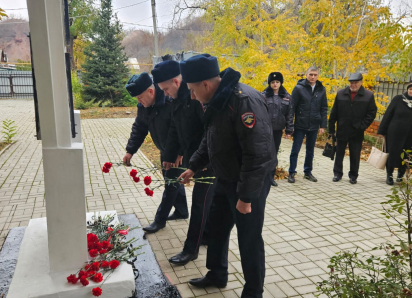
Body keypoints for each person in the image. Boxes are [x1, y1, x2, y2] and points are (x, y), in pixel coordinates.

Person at [178, 54, 276, 298]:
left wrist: (245, 198)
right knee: (217, 228)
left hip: (248, 183)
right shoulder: (217, 100)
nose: (191, 95)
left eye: (191, 90)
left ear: (205, 85)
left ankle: (253, 292)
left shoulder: (243, 102)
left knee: (249, 238)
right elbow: (211, 139)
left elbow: (258, 155)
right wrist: (193, 165)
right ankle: (217, 274)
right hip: (226, 177)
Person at [150, 60, 216, 265]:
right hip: (196, 159)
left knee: (199, 204)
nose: (165, 93)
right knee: (207, 204)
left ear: (177, 82)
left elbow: (210, 132)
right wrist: (169, 156)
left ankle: (191, 249)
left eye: (166, 89)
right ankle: (206, 235)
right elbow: (174, 130)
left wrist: (199, 162)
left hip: (208, 161)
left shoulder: (196, 97)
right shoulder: (177, 101)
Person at [123, 73, 188, 233]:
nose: (139, 101)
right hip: (165, 149)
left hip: (178, 151)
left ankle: (160, 220)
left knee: (171, 184)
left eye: (140, 97)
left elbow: (182, 128)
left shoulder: (169, 101)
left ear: (151, 92)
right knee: (172, 179)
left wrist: (178, 152)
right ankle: (182, 211)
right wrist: (130, 150)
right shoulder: (144, 107)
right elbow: (139, 128)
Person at [328, 73, 377, 184]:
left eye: (355, 82)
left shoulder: (368, 95)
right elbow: (334, 112)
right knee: (339, 153)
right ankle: (337, 173)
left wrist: (363, 126)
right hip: (342, 129)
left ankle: (353, 176)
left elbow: (372, 113)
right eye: (351, 82)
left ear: (361, 82)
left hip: (357, 130)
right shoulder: (341, 93)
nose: (353, 84)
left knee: (355, 154)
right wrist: (331, 128)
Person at [288, 66, 328, 183]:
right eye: (311, 74)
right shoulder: (298, 88)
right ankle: (291, 172)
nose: (313, 77)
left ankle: (307, 172)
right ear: (306, 75)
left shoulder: (321, 89)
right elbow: (292, 108)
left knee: (310, 151)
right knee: (295, 150)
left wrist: (322, 125)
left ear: (318, 76)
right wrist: (290, 125)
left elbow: (324, 107)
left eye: (315, 75)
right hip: (300, 124)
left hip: (314, 125)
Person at [263, 72, 294, 186]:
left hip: (277, 130)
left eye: (277, 82)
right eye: (272, 82)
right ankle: (263, 176)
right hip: (265, 130)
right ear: (269, 83)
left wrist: (289, 130)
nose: (275, 84)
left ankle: (271, 176)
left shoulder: (286, 97)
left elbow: (289, 115)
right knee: (265, 153)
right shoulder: (264, 96)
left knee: (274, 153)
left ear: (280, 83)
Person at [378, 83, 412, 185]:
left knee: (406, 155)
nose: (411, 91)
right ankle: (389, 175)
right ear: (407, 89)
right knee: (392, 154)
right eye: (410, 89)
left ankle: (400, 176)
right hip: (394, 133)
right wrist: (382, 131)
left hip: (409, 135)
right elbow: (388, 114)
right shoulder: (398, 99)